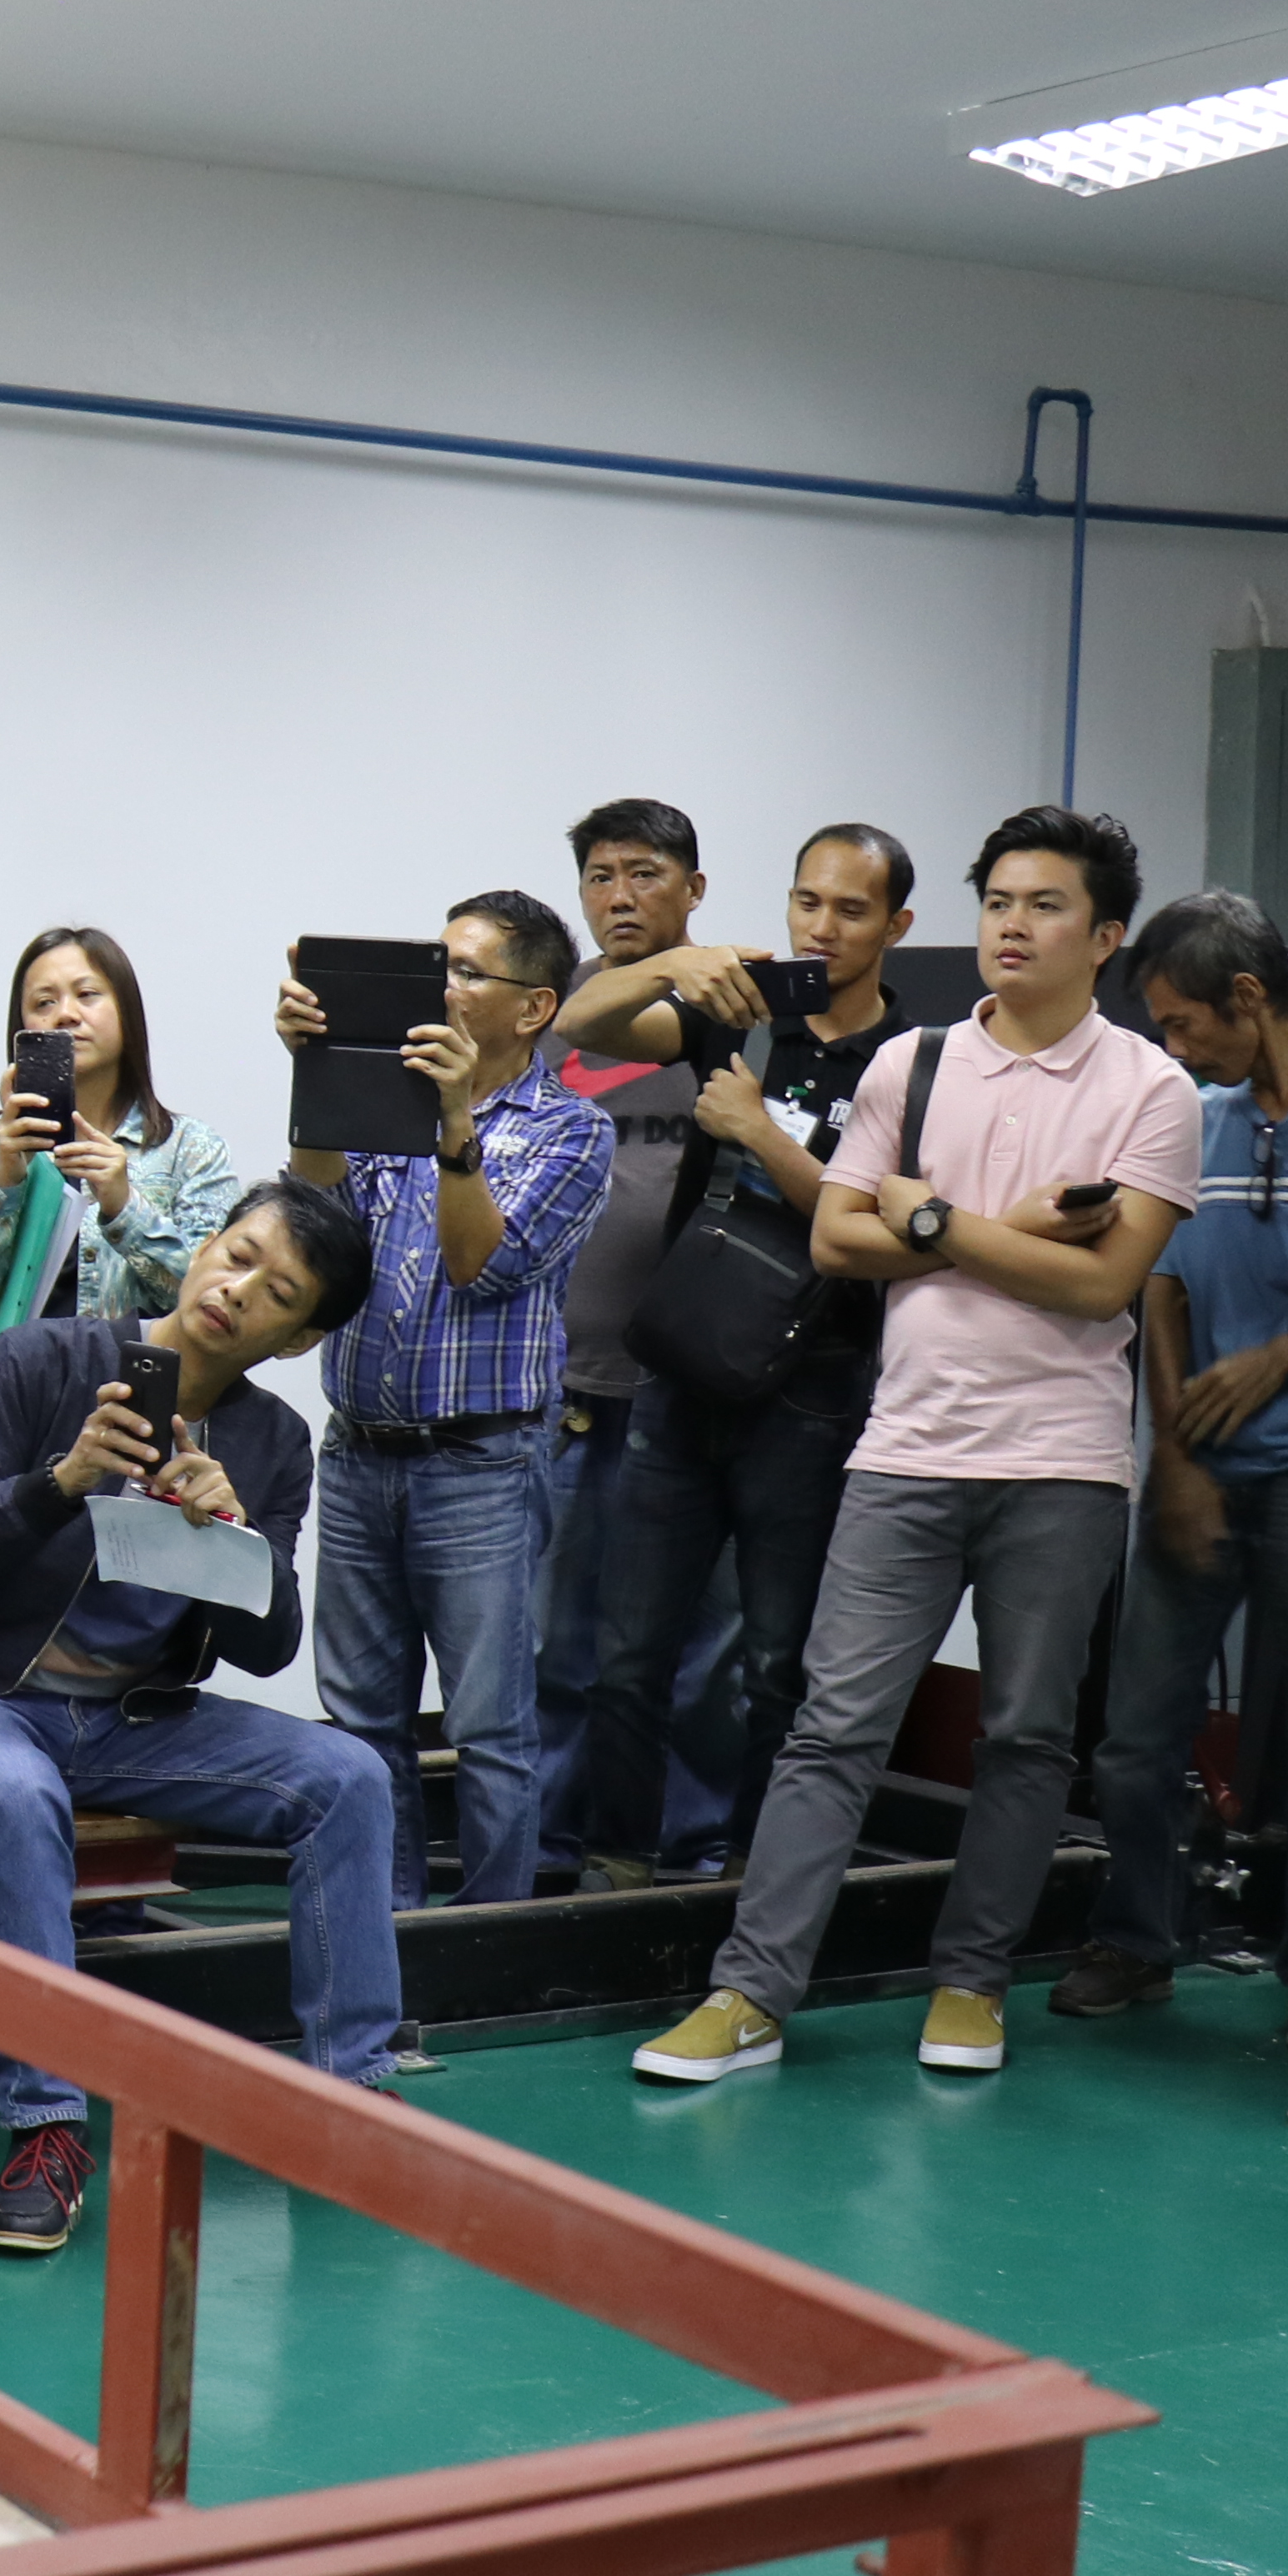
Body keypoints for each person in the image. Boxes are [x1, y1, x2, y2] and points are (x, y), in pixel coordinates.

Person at [636, 807, 1195, 2082]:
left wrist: (934, 1216)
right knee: (832, 1728)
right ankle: (751, 1995)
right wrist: (1016, 1232)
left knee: (1028, 1735)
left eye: (1045, 905)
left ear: (1103, 936)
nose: (1011, 923)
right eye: (998, 899)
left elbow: (1104, 1291)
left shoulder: (1150, 1090)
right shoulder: (916, 1067)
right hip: (903, 1448)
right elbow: (837, 1244)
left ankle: (972, 1983)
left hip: (1062, 1461)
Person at [0, 1178, 396, 2254]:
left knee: (353, 1779)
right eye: (238, 1255)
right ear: (203, 1244)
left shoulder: (272, 1445)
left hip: (134, 1723)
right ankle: (49, 2131)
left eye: (277, 1292)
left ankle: (355, 2105)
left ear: (297, 1339)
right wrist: (60, 1483)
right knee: (16, 1798)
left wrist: (234, 1547)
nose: (237, 1290)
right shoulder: (44, 1362)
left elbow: (271, 1645)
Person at [552, 826, 931, 1886]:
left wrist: (763, 1135)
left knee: (778, 1662)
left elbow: (884, 1236)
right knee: (628, 1653)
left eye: (851, 910)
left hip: (814, 1387)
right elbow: (578, 1023)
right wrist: (671, 962)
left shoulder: (917, 1065)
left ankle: (760, 1877)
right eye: (807, 903)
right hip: (682, 1369)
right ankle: (615, 1868)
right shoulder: (740, 1011)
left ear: (897, 925)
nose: (823, 927)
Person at [1053, 893, 1288, 2049]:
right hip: (1203, 1467)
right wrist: (1179, 1459)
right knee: (1137, 1735)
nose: (1174, 1049)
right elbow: (1161, 1286)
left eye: (1186, 1024)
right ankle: (1137, 1940)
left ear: (1249, 998)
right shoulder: (1191, 1122)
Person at [278, 891, 614, 1914]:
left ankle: (492, 1943)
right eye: (441, 968)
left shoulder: (573, 1130)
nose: (445, 990)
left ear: (532, 1005)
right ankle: (387, 1927)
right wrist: (319, 1075)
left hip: (482, 1464)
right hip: (360, 1454)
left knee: (491, 1730)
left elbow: (482, 1264)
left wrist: (456, 1123)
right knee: (361, 1719)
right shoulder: (386, 1102)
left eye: (469, 973)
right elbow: (314, 1227)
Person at [534, 799, 740, 1883]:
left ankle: (694, 1848)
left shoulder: (733, 1009)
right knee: (559, 1647)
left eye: (646, 873)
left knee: (702, 1648)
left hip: (693, 1385)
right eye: (601, 877)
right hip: (562, 1387)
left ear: (694, 889)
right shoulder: (553, 1013)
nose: (621, 895)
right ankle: (552, 1853)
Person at [0, 925, 245, 1489]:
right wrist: (4, 1179)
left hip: (123, 1416)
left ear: (126, 1013)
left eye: (88, 995)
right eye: (44, 1002)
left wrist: (126, 1207)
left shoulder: (189, 1150)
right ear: (22, 1028)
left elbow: (208, 1301)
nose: (66, 1015)